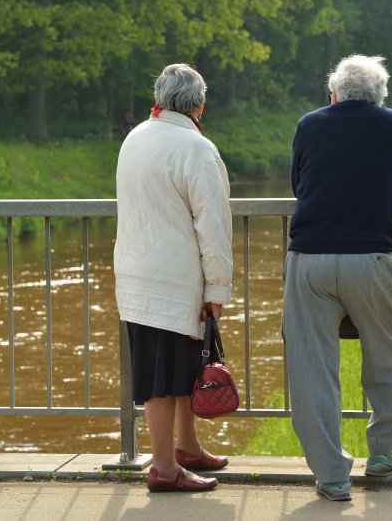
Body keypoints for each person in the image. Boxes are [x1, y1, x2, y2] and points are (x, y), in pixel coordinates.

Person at [283, 54, 392, 501]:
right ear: (380, 95)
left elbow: (299, 183)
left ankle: (331, 475)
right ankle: (384, 453)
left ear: (333, 94)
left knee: (312, 368)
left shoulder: (309, 123)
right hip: (370, 257)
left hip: (308, 258)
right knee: (387, 357)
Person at [114, 63, 233, 493]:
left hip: (135, 274)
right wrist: (217, 288)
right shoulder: (197, 149)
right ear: (199, 105)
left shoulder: (135, 138)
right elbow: (213, 226)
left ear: (160, 99)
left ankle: (187, 448)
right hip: (176, 280)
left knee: (173, 368)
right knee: (166, 377)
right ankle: (164, 468)